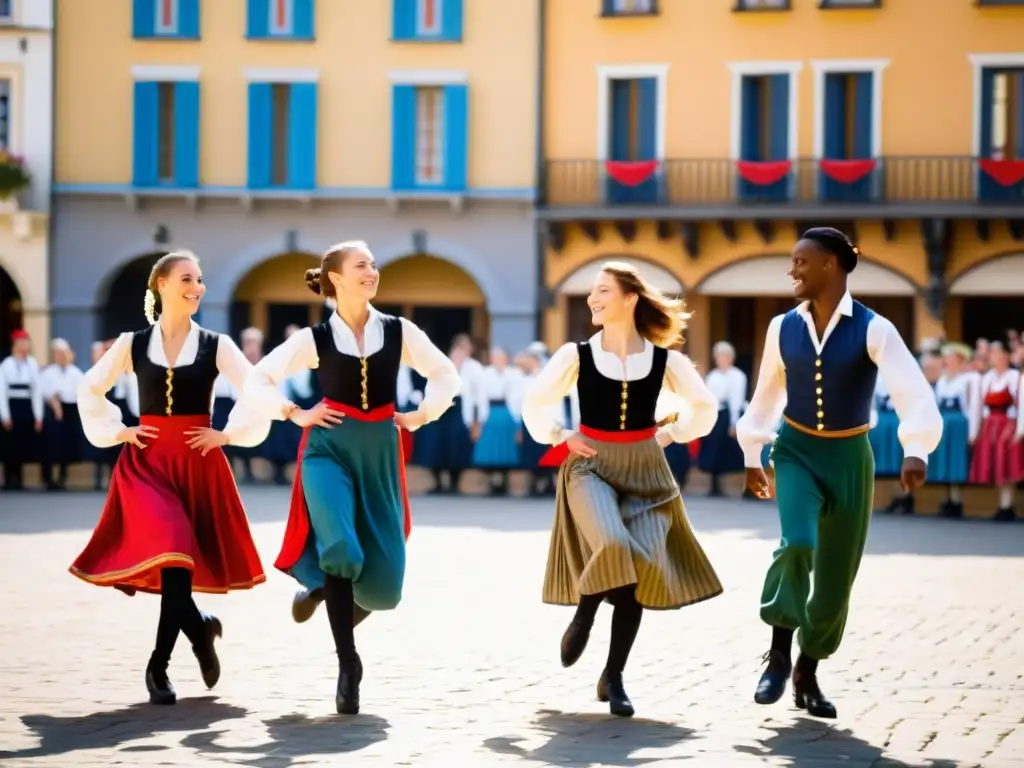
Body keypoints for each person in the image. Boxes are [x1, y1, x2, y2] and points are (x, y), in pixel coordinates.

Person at [240, 240, 460, 715]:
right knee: (341, 549)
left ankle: (322, 591)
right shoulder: (314, 339)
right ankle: (348, 664)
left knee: (385, 591)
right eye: (362, 265)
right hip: (327, 450)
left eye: (374, 264)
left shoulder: (400, 331)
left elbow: (445, 374)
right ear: (336, 278)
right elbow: (257, 378)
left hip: (380, 452)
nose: (372, 271)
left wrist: (422, 414)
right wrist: (292, 413)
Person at [737, 228, 942, 719]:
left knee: (836, 576)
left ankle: (808, 670)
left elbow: (912, 391)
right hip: (796, 451)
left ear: (830, 265)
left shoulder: (875, 328)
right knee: (799, 543)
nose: (792, 271)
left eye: (801, 262)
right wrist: (752, 455)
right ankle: (779, 656)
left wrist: (916, 449)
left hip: (852, 457)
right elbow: (765, 396)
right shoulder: (780, 327)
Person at [522, 261, 723, 718]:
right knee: (612, 543)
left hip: (648, 473)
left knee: (641, 566)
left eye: (602, 291)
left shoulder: (665, 360)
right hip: (589, 466)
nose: (593, 299)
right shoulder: (576, 355)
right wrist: (560, 436)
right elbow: (535, 401)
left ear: (630, 298)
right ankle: (585, 613)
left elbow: (704, 406)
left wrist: (672, 434)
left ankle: (613, 677)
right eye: (592, 292)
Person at [69, 250, 270, 706]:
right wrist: (119, 429)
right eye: (186, 279)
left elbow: (258, 388)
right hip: (146, 464)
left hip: (197, 465)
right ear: (160, 285)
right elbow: (89, 387)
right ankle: (191, 640)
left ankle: (167, 658)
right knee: (171, 545)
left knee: (176, 569)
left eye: (199, 280)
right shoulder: (132, 343)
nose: (196, 287)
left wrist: (228, 434)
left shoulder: (216, 344)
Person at [968, 342, 1020, 521]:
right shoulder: (987, 378)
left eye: (999, 355)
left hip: (1008, 422)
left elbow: (1019, 404)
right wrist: (976, 431)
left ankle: (1008, 504)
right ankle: (1002, 503)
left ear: (1005, 357)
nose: (995, 359)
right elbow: (979, 407)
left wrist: (1016, 428)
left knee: (1008, 464)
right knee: (996, 463)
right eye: (993, 356)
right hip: (991, 424)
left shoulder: (1014, 377)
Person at [697, 341, 747, 497]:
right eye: (718, 356)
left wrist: (733, 423)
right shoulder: (713, 376)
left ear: (730, 358)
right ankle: (713, 485)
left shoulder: (737, 375)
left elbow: (736, 400)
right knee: (711, 448)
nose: (721, 359)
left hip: (727, 415)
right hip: (714, 414)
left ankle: (733, 485)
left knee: (725, 449)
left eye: (724, 356)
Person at [472, 347, 523, 496]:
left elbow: (516, 398)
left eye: (501, 358)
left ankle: (504, 481)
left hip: (506, 412)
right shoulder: (485, 374)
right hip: (490, 412)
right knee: (490, 447)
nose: (498, 361)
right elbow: (480, 397)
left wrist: (516, 421)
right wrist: (480, 420)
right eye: (496, 358)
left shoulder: (514, 374)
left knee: (505, 447)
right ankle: (491, 481)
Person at [39, 338, 86, 491]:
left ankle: (62, 477)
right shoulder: (48, 372)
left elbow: (80, 393)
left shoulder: (76, 373)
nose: (61, 356)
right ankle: (48, 478)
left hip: (70, 412)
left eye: (63, 353)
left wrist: (61, 395)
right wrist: (54, 400)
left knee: (66, 445)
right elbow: (44, 391)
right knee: (50, 445)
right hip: (52, 413)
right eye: (57, 354)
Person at [0, 329, 43, 490]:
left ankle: (19, 478)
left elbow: (36, 390)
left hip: (26, 406)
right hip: (12, 405)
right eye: (21, 343)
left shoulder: (31, 363)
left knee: (23, 442)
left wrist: (38, 415)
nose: (24, 346)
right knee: (9, 443)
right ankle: (9, 477)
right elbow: (2, 392)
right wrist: (5, 416)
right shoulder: (6, 364)